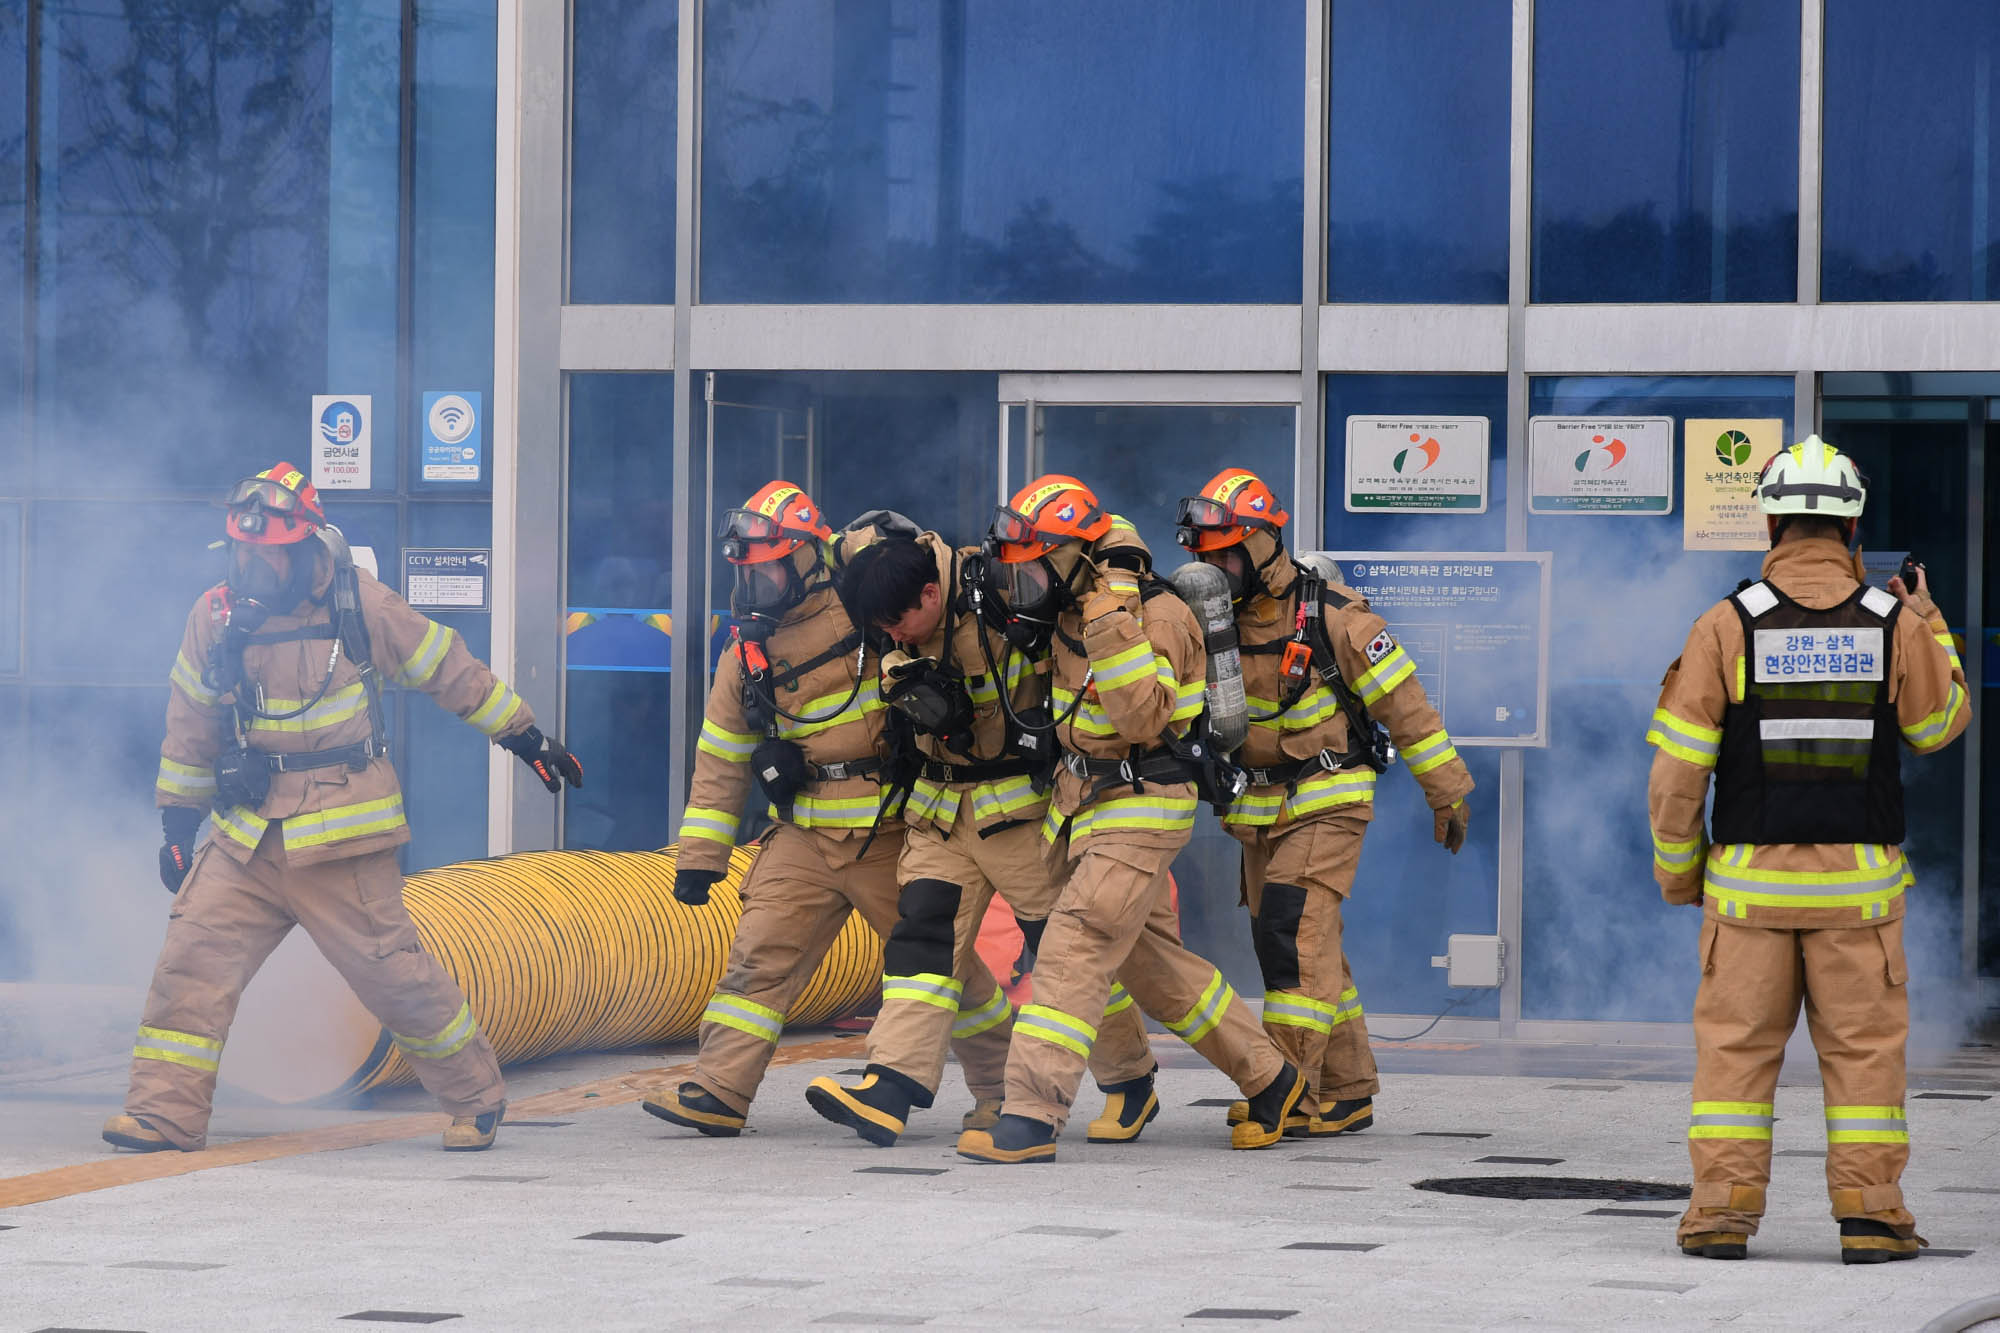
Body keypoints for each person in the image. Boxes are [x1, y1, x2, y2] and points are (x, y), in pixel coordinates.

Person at [108, 462, 581, 1155]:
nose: (252, 566)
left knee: (393, 977)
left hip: (341, 835)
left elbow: (445, 666)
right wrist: (178, 821)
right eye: (242, 551)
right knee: (191, 961)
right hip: (246, 837)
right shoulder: (214, 616)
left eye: (267, 552)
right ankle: (162, 1115)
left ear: (304, 545)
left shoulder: (358, 604)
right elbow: (190, 719)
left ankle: (475, 1098)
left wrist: (523, 735)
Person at [1648, 436, 1969, 1264]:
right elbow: (1939, 726)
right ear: (1853, 527)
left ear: (1771, 523)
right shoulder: (1894, 623)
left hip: (1748, 897)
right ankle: (1871, 1215)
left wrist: (1681, 874)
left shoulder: (1725, 624)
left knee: (1735, 1060)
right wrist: (1930, 620)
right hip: (1859, 900)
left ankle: (1720, 1212)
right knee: (1864, 1062)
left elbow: (1677, 774)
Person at [955, 475, 1306, 1165]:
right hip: (1085, 809)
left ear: (1074, 558)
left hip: (1143, 804)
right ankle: (1273, 1077)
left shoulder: (1155, 616)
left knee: (1073, 947)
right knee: (1154, 967)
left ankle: (1030, 1114)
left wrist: (1109, 620)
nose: (1024, 586)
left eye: (1034, 570)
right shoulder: (1067, 610)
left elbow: (1143, 717)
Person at [642, 484, 1009, 1136]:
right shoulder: (747, 649)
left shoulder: (866, 598)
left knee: (939, 971)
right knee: (759, 958)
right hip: (804, 833)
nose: (754, 586)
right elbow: (722, 753)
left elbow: (935, 585)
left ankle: (1002, 1092)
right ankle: (719, 1089)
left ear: (807, 557)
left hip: (888, 830)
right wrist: (701, 855)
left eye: (767, 570)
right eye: (746, 574)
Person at [804, 526, 1160, 1147]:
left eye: (898, 623)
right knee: (920, 948)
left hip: (1019, 819)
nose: (893, 636)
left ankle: (1131, 1080)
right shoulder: (891, 587)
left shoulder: (1000, 583)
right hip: (939, 815)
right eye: (881, 629)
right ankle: (889, 1087)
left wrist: (1122, 565)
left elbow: (1099, 529)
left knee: (1063, 958)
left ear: (930, 593)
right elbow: (829, 544)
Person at [1175, 468, 1472, 1137]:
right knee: (1309, 949)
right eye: (1206, 559)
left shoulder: (1334, 613)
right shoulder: (1211, 621)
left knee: (1290, 939)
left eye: (1226, 556)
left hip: (1327, 798)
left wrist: (1447, 790)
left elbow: (1406, 705)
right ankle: (1347, 1089)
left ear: (1261, 544)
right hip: (1258, 811)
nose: (1216, 572)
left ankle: (1285, 1091)